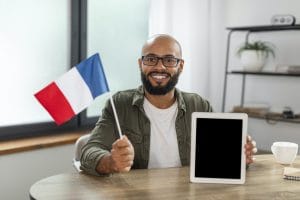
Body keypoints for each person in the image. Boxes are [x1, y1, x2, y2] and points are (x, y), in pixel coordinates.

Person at [80, 34, 257, 175]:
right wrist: (111, 162)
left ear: (180, 66)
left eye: (169, 60)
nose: (160, 67)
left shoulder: (199, 104)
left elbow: (221, 158)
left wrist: (240, 157)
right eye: (151, 59)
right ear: (141, 64)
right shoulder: (120, 104)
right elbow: (89, 151)